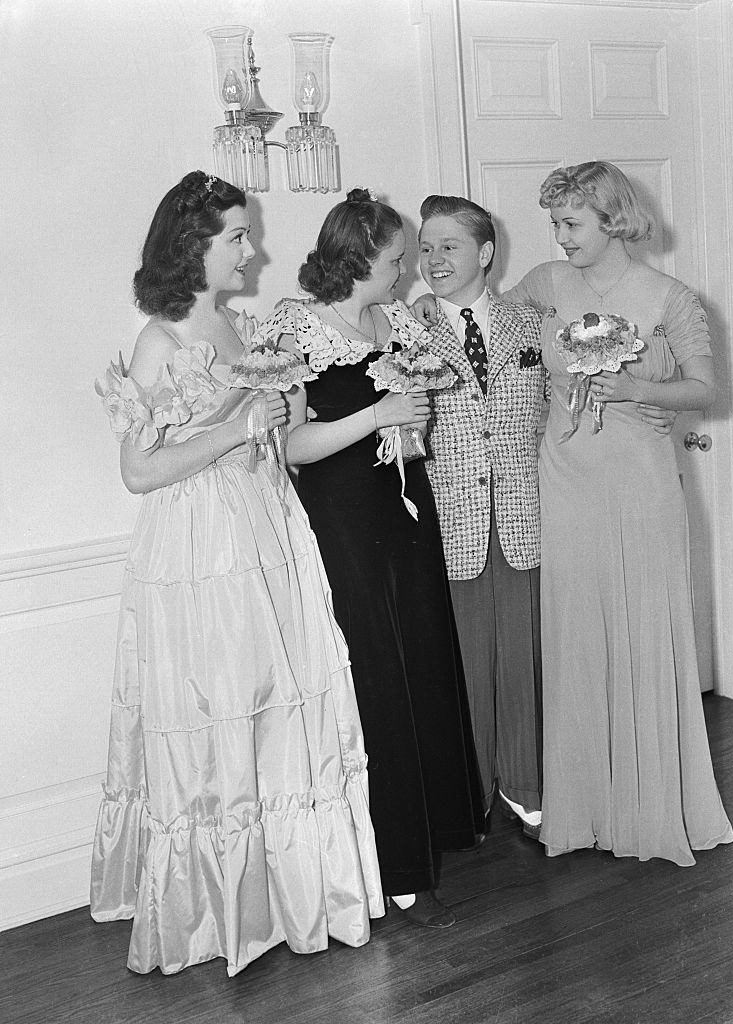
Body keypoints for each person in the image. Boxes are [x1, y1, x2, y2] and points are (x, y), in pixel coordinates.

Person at [90, 171, 383, 976]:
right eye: (235, 238)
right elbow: (140, 472)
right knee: (219, 707)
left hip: (264, 525)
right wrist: (232, 431)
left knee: (272, 704)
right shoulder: (162, 339)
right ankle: (213, 911)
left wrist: (279, 417)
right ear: (192, 246)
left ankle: (283, 894)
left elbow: (267, 432)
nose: (250, 251)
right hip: (200, 548)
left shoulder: (234, 323)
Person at [255, 188, 484, 929]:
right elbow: (289, 447)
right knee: (376, 680)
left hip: (405, 509)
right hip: (344, 520)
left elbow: (405, 414)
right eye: (395, 260)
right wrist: (377, 414)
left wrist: (409, 422)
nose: (407, 271)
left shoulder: (395, 321)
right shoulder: (293, 326)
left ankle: (433, 840)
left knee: (420, 664)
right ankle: (394, 872)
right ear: (356, 258)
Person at [501, 160, 733, 864]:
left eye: (571, 223)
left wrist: (637, 388)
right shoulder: (544, 282)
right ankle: (584, 806)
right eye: (554, 224)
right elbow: (491, 321)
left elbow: (706, 392)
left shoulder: (669, 297)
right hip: (564, 478)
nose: (559, 236)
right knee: (576, 632)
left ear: (611, 219)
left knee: (640, 629)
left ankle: (649, 807)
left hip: (639, 482)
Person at [412, 195, 545, 839]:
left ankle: (523, 783)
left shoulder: (529, 324)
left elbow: (556, 412)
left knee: (521, 655)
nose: (433, 260)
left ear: (485, 254)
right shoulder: (403, 330)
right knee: (461, 659)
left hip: (522, 517)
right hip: (448, 520)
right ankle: (470, 790)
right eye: (426, 248)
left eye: (449, 247)